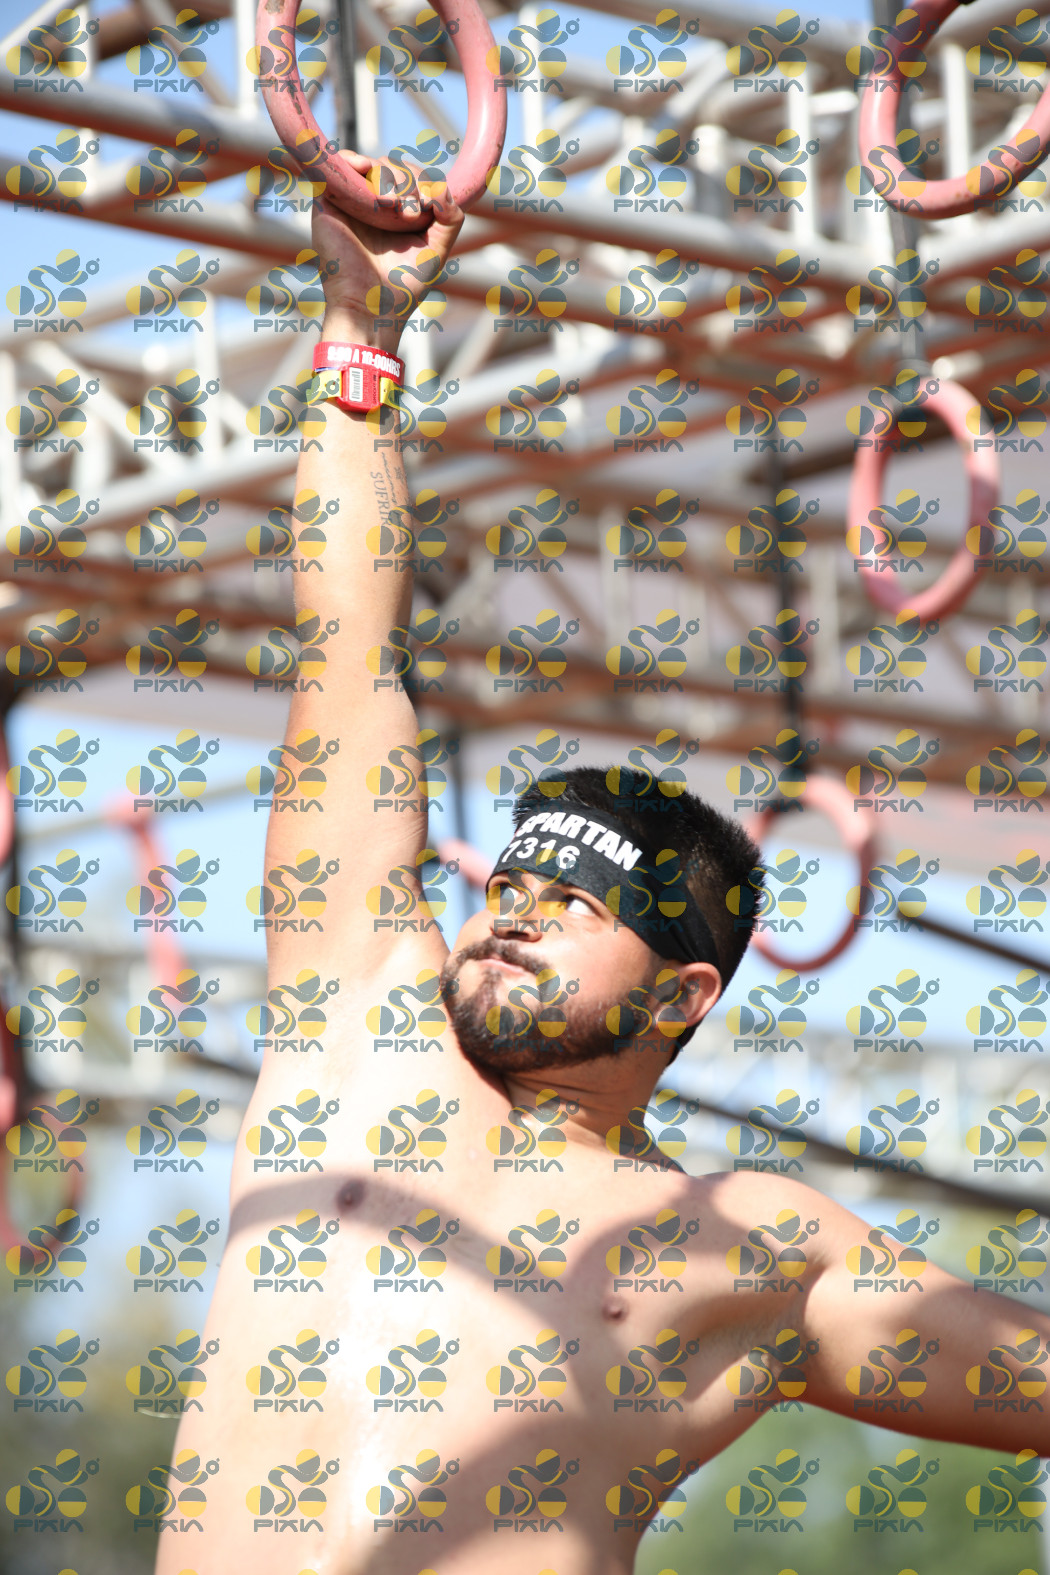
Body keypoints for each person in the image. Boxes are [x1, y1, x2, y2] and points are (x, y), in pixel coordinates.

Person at [156, 156, 1050, 1575]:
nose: (512, 919)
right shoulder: (357, 1023)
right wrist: (359, 343)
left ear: (682, 994)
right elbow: (350, 650)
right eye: (509, 889)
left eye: (573, 906)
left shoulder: (747, 1246)